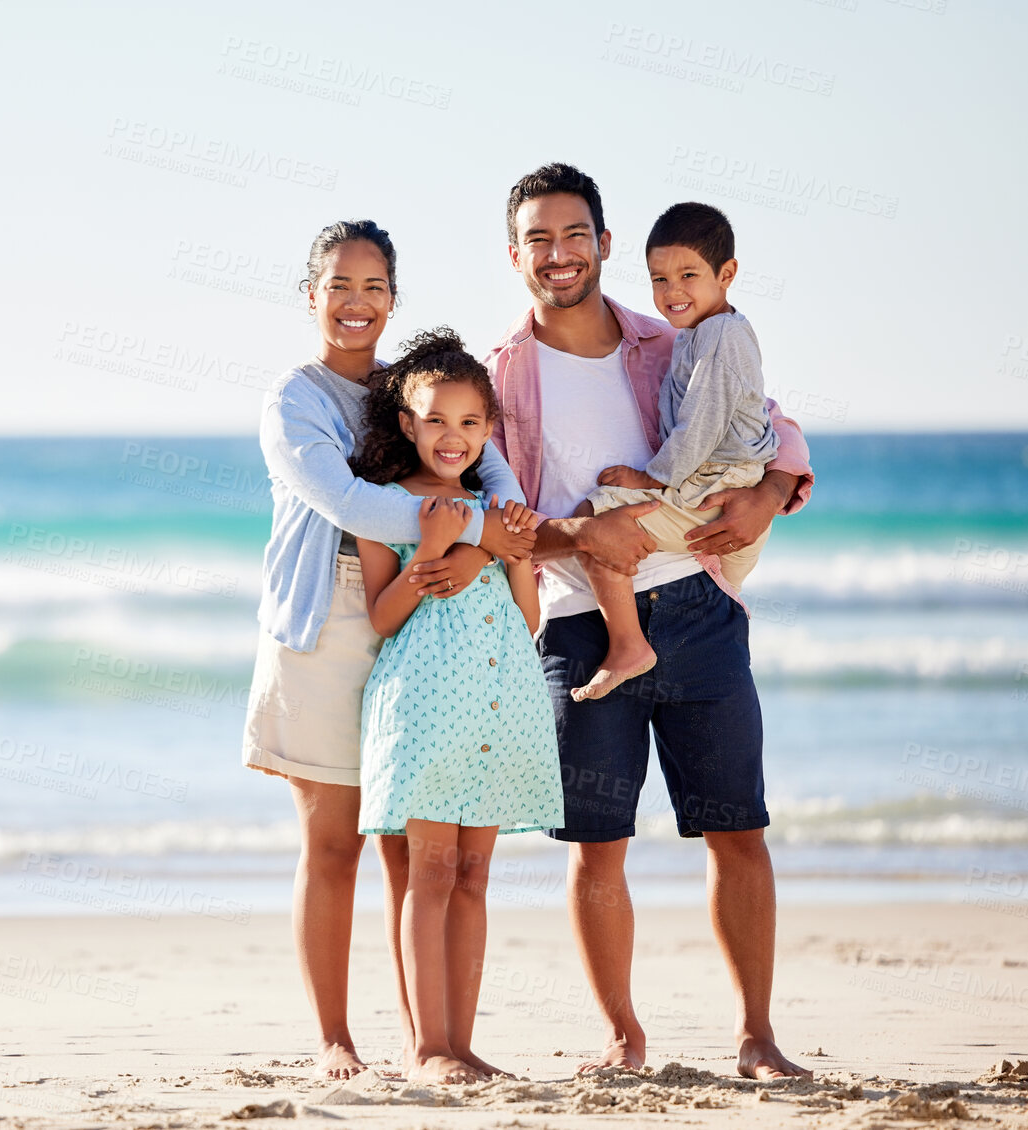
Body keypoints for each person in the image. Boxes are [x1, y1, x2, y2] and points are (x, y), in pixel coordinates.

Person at [460, 163, 816, 1081]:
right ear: (513, 255)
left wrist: (775, 490)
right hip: (579, 628)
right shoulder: (499, 377)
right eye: (537, 237)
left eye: (573, 233)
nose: (557, 252)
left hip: (695, 609)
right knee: (595, 847)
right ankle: (622, 1038)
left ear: (603, 244)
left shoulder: (667, 338)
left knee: (737, 828)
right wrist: (589, 534)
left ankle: (757, 1036)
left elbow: (768, 424)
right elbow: (508, 524)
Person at [244, 220, 536, 1079]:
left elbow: (491, 474)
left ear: (393, 299)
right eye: (339, 285)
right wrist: (480, 533)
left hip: (431, 614)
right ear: (310, 295)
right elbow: (351, 504)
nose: (356, 303)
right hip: (328, 620)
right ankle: (335, 1036)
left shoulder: (406, 394)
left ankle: (431, 1044)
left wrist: (489, 538)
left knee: (413, 848)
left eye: (373, 288)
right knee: (332, 842)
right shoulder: (292, 399)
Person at [348, 329, 560, 1084]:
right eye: (437, 420)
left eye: (470, 424)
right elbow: (380, 616)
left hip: (497, 702)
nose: (453, 437)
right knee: (428, 875)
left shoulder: (495, 510)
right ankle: (426, 1046)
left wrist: (506, 551)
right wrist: (431, 551)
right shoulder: (384, 505)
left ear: (487, 431)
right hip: (426, 705)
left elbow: (527, 616)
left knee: (472, 877)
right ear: (408, 422)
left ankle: (462, 1045)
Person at [568, 201, 780, 702]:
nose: (672, 291)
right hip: (714, 482)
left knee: (594, 518)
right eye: (658, 279)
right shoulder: (696, 333)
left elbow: (699, 425)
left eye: (688, 274)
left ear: (726, 274)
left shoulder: (723, 336)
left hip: (720, 488)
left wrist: (651, 478)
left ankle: (628, 647)